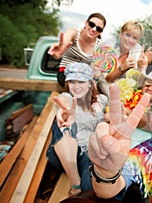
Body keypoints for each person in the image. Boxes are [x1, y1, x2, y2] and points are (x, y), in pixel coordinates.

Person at [47, 62, 108, 195]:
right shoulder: (68, 98)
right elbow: (63, 102)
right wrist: (63, 113)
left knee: (91, 183)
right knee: (63, 128)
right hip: (65, 153)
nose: (76, 86)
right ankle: (75, 184)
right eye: (72, 82)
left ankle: (83, 189)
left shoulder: (102, 100)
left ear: (90, 83)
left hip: (90, 153)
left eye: (81, 82)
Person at [48, 13, 106, 87]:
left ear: (101, 32)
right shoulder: (74, 33)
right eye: (91, 24)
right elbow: (64, 41)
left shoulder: (100, 46)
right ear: (86, 23)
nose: (94, 29)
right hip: (66, 73)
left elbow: (99, 68)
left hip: (84, 77)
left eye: (98, 29)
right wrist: (60, 49)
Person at [98, 20, 144, 96]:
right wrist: (122, 68)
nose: (130, 40)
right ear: (121, 34)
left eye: (135, 38)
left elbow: (137, 83)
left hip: (123, 94)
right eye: (128, 35)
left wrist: (142, 67)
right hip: (103, 89)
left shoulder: (137, 53)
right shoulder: (109, 49)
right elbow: (107, 79)